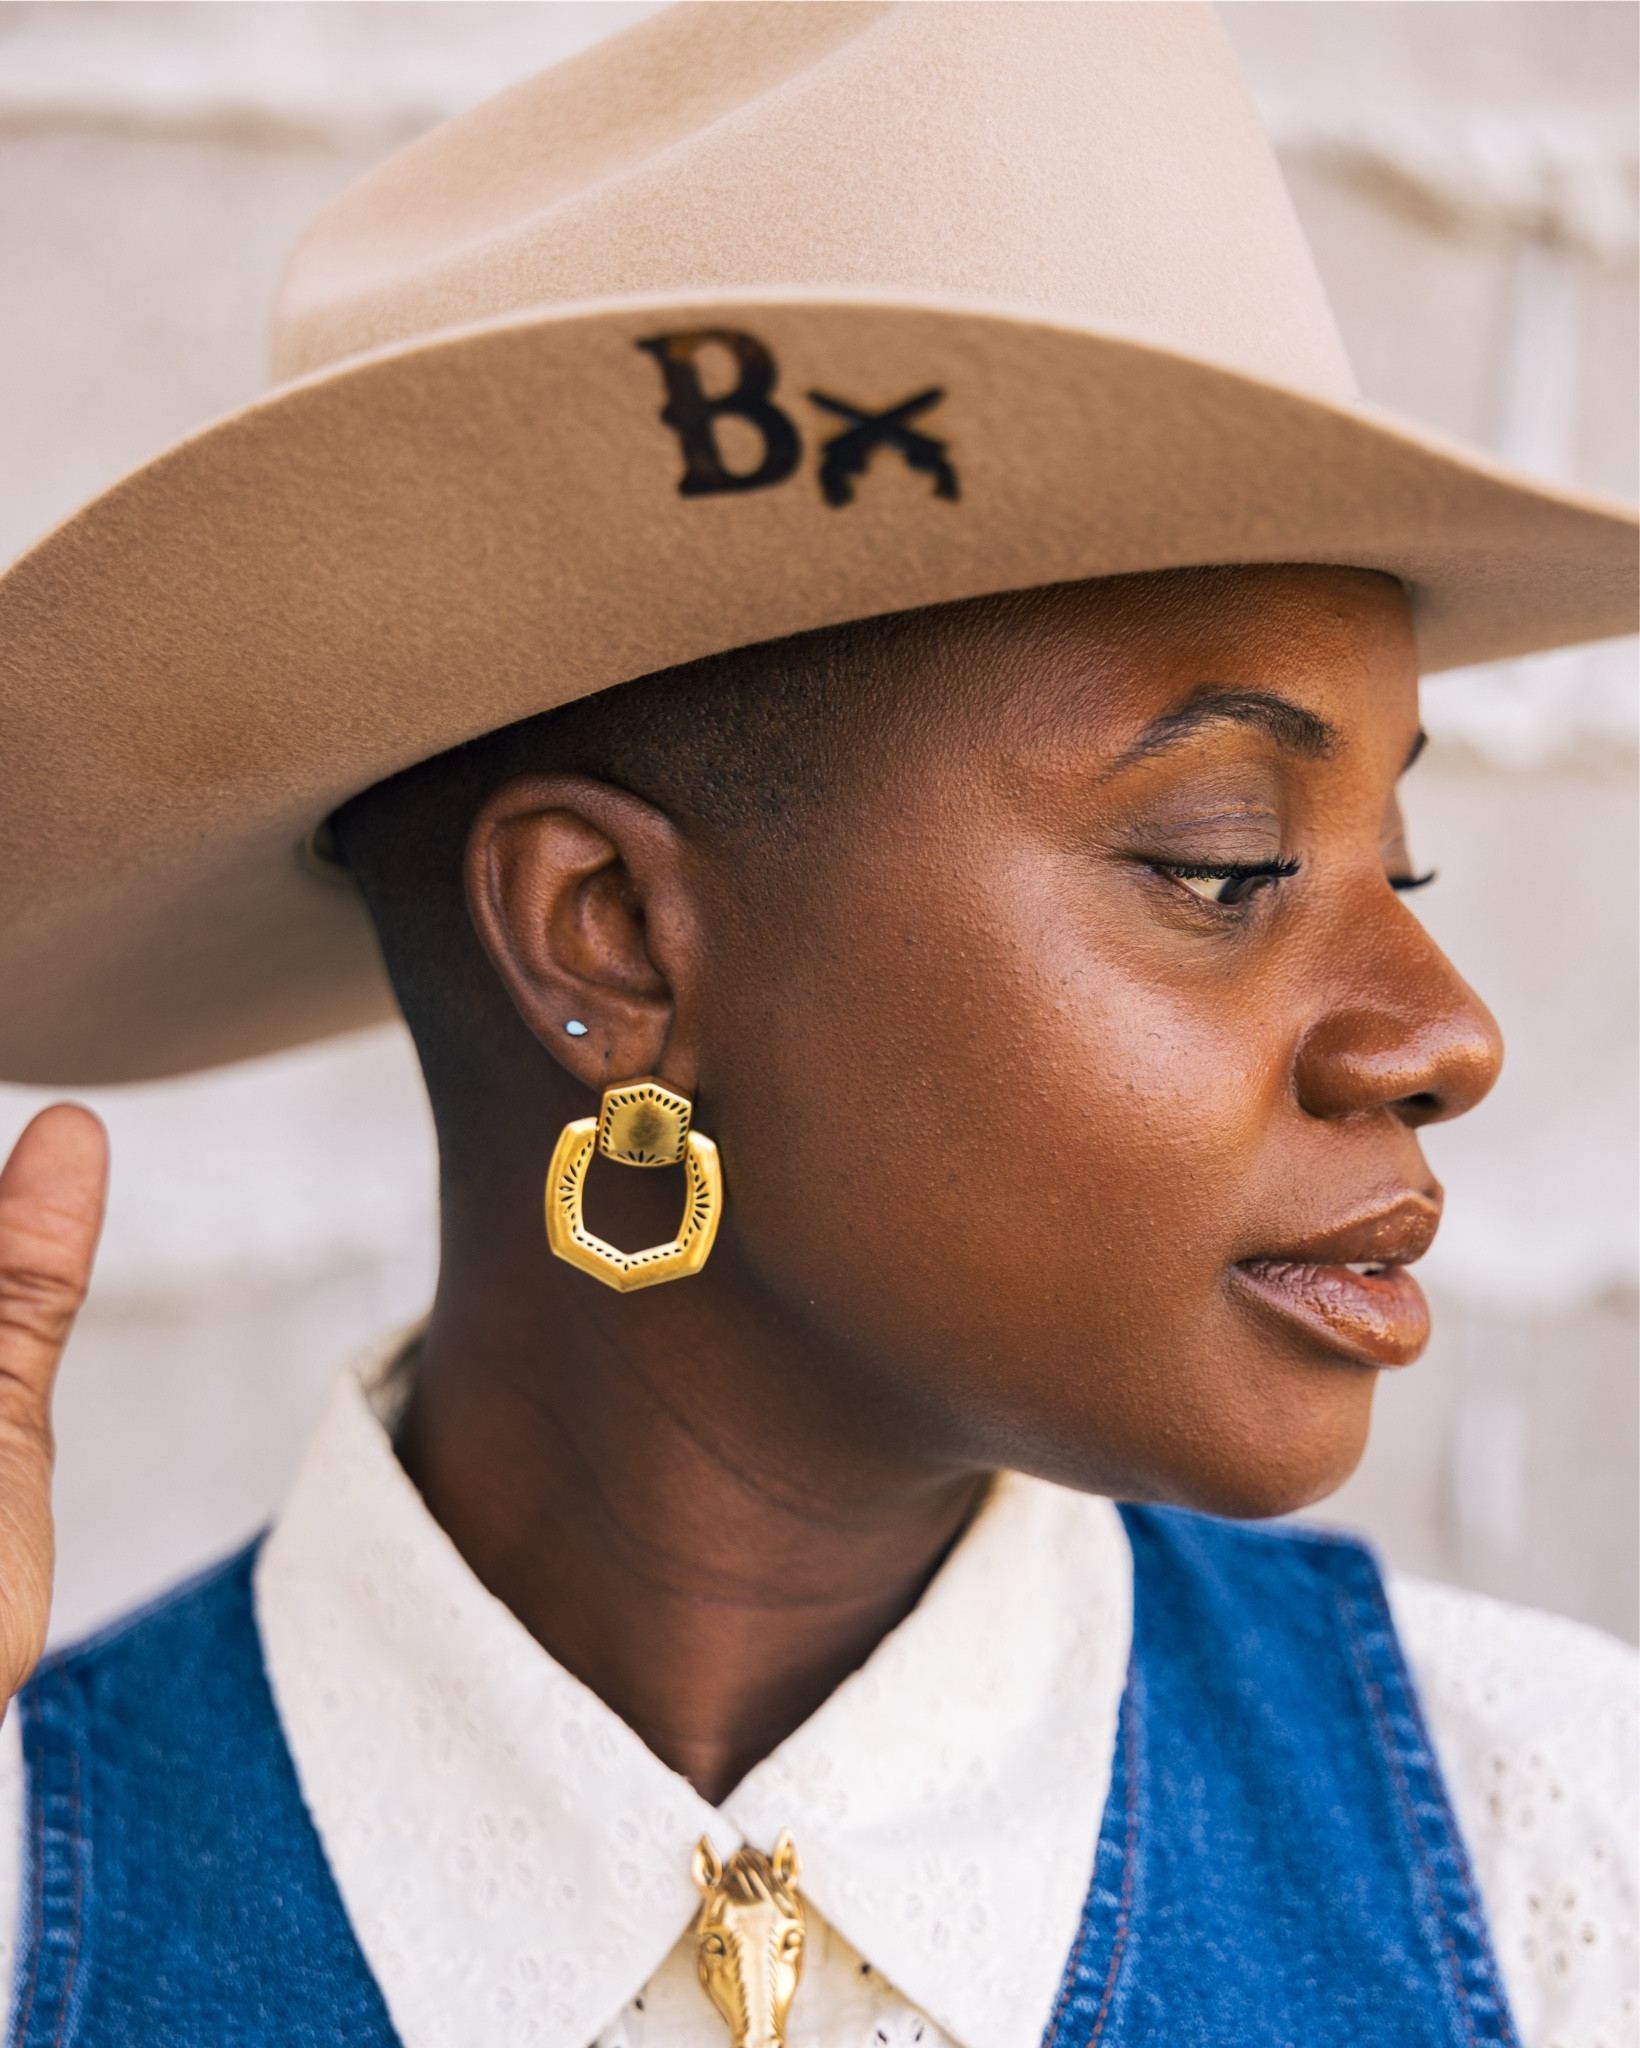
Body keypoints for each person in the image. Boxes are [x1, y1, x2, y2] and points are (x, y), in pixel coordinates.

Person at [0, 7, 1632, 2047]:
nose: (1442, 1034)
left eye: (1397, 865)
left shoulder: (1559, 1849)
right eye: (1224, 861)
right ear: (610, 940)